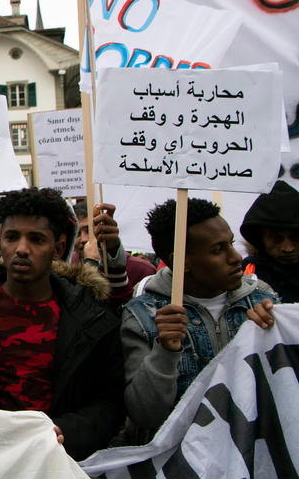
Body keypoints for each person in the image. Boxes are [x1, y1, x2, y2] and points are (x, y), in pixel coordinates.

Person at [0, 188, 124, 460]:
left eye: (36, 239)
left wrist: (66, 432)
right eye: (12, 237)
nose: (22, 250)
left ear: (58, 248)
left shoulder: (89, 319)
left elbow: (110, 402)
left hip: (57, 464)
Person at [122, 198, 277, 440]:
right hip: (179, 468)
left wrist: (272, 339)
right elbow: (145, 415)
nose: (236, 257)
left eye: (231, 244)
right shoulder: (144, 317)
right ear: (182, 262)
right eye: (218, 250)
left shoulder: (263, 302)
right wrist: (164, 353)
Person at [72, 200, 156, 311]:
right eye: (77, 233)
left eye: (89, 231)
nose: (83, 239)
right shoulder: (68, 266)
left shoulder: (142, 270)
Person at [240, 180, 299, 302]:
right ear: (260, 239)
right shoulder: (244, 274)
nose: (288, 248)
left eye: (296, 238)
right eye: (277, 239)